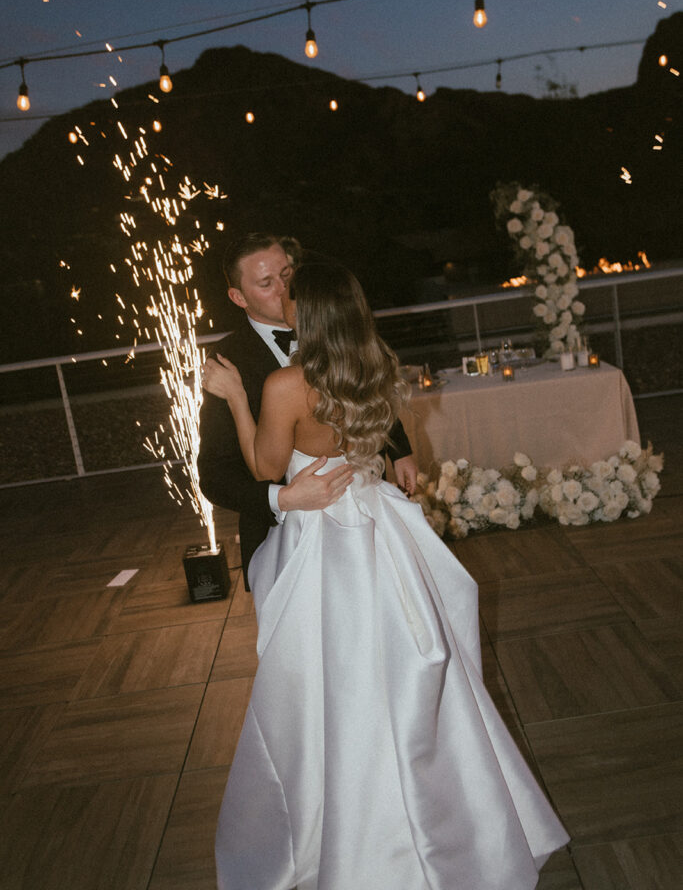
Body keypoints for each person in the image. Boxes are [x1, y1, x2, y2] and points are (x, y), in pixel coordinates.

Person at [207, 260, 569, 890]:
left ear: (309, 314)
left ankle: (349, 813)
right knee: (402, 669)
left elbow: (266, 466)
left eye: (292, 292)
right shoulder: (376, 364)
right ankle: (448, 810)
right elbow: (380, 441)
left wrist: (238, 397)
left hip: (322, 537)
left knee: (328, 679)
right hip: (382, 526)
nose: (284, 297)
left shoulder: (288, 385)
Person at [198, 233, 417, 588]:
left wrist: (399, 449)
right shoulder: (227, 361)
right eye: (267, 283)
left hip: (367, 507)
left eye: (287, 274)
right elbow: (213, 473)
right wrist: (280, 497)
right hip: (284, 535)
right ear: (239, 297)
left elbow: (364, 389)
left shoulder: (345, 331)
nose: (284, 288)